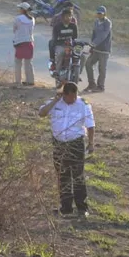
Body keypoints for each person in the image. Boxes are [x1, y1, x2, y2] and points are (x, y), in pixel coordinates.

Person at [39, 82, 95, 217]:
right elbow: (42, 113)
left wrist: (91, 143)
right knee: (62, 176)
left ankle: (82, 208)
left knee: (77, 176)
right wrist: (55, 101)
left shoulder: (83, 104)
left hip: (75, 144)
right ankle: (66, 208)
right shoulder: (55, 103)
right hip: (59, 144)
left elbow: (90, 124)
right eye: (70, 97)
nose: (73, 99)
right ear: (64, 94)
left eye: (75, 96)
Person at [85, 6, 112, 92]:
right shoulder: (96, 22)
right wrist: (92, 46)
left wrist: (93, 44)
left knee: (102, 68)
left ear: (104, 14)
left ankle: (100, 86)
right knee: (88, 64)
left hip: (104, 49)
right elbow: (94, 33)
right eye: (98, 13)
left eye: (101, 13)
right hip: (95, 49)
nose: (99, 15)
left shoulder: (107, 23)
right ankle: (91, 84)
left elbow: (103, 35)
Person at [50, 8, 79, 85]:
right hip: (60, 45)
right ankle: (57, 72)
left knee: (80, 56)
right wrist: (63, 43)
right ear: (62, 17)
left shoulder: (73, 26)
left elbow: (75, 38)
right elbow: (55, 39)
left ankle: (77, 73)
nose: (69, 18)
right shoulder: (57, 27)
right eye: (67, 16)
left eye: (70, 16)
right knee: (60, 53)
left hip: (70, 45)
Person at [13, 2, 36, 87]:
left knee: (18, 62)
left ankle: (18, 81)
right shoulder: (32, 19)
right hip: (29, 42)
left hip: (20, 42)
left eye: (20, 8)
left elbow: (14, 29)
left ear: (22, 9)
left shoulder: (17, 19)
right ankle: (30, 81)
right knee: (28, 63)